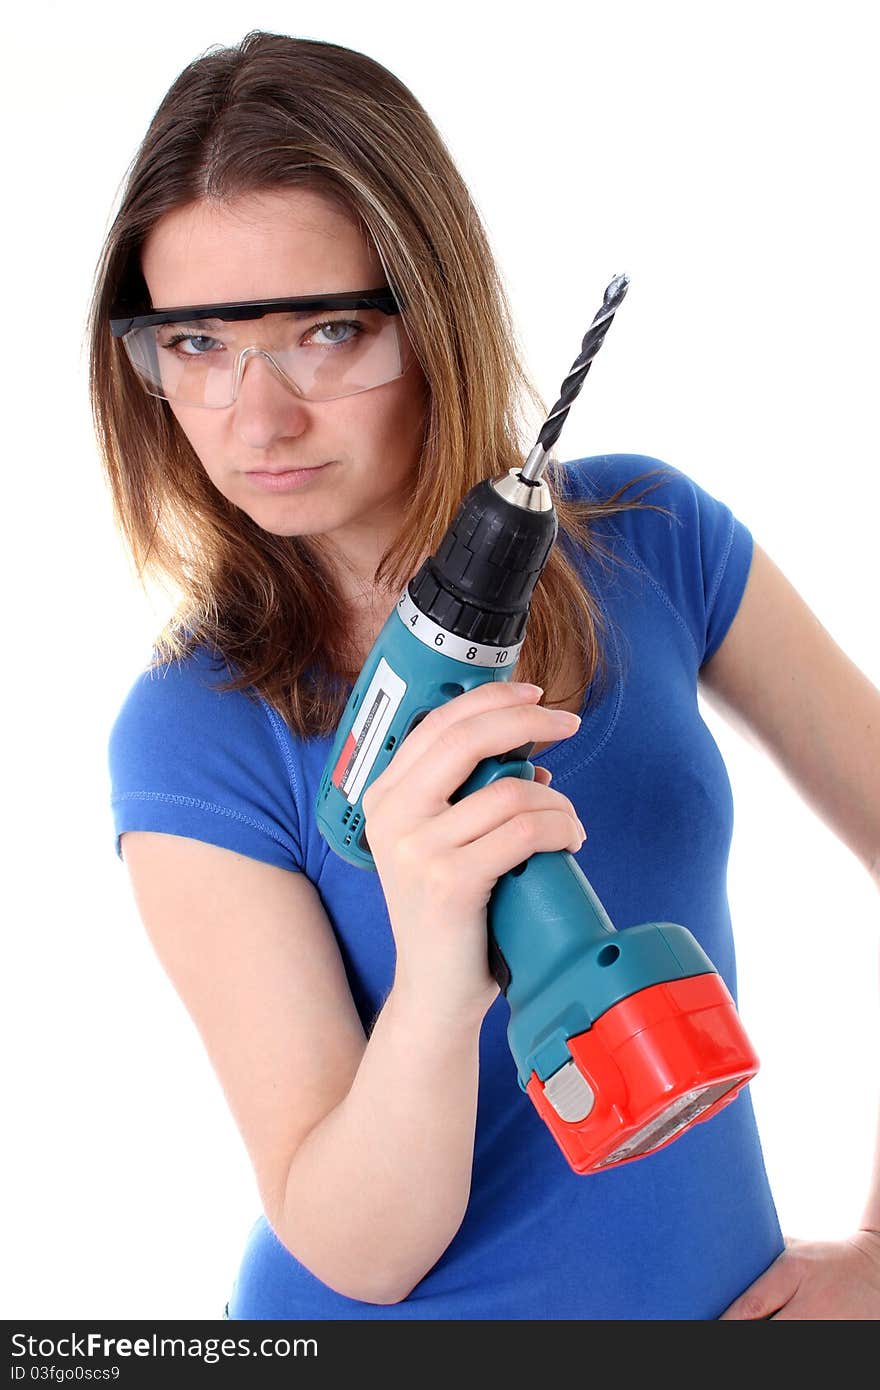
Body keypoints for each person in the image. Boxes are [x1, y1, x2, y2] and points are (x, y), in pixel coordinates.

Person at [90, 30, 880, 1320]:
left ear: (435, 310)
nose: (259, 416)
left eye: (326, 331)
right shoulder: (194, 731)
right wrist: (440, 960)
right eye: (194, 344)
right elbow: (360, 1250)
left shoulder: (654, 537)